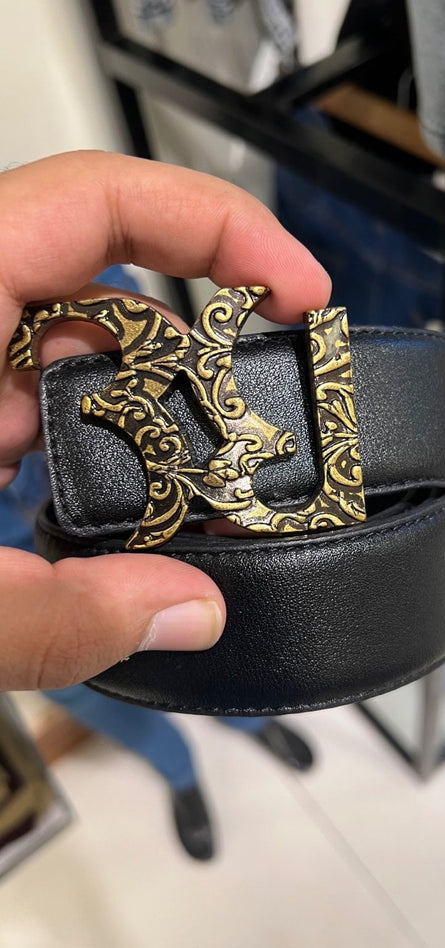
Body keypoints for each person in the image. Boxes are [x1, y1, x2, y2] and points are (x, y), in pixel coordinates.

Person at [0, 153, 328, 857]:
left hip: (128, 451)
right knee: (90, 676)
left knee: (217, 600)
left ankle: (245, 718)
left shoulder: (66, 256)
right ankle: (175, 769)